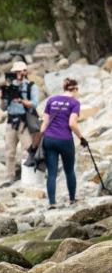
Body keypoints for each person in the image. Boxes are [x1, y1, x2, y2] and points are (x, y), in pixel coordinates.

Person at [41, 77, 89, 209]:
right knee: (69, 170)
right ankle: (72, 199)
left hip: (49, 139)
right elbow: (72, 123)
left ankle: (52, 202)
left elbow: (44, 123)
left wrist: (40, 140)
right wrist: (81, 137)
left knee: (52, 172)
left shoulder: (51, 100)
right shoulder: (74, 103)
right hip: (64, 140)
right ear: (74, 89)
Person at [1, 64, 43, 170]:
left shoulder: (30, 86)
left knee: (26, 150)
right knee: (9, 151)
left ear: (24, 72)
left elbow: (34, 104)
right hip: (11, 121)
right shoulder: (10, 87)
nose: (17, 74)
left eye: (19, 72)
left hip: (25, 121)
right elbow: (3, 107)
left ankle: (27, 174)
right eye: (15, 72)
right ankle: (10, 176)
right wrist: (3, 97)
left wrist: (21, 100)